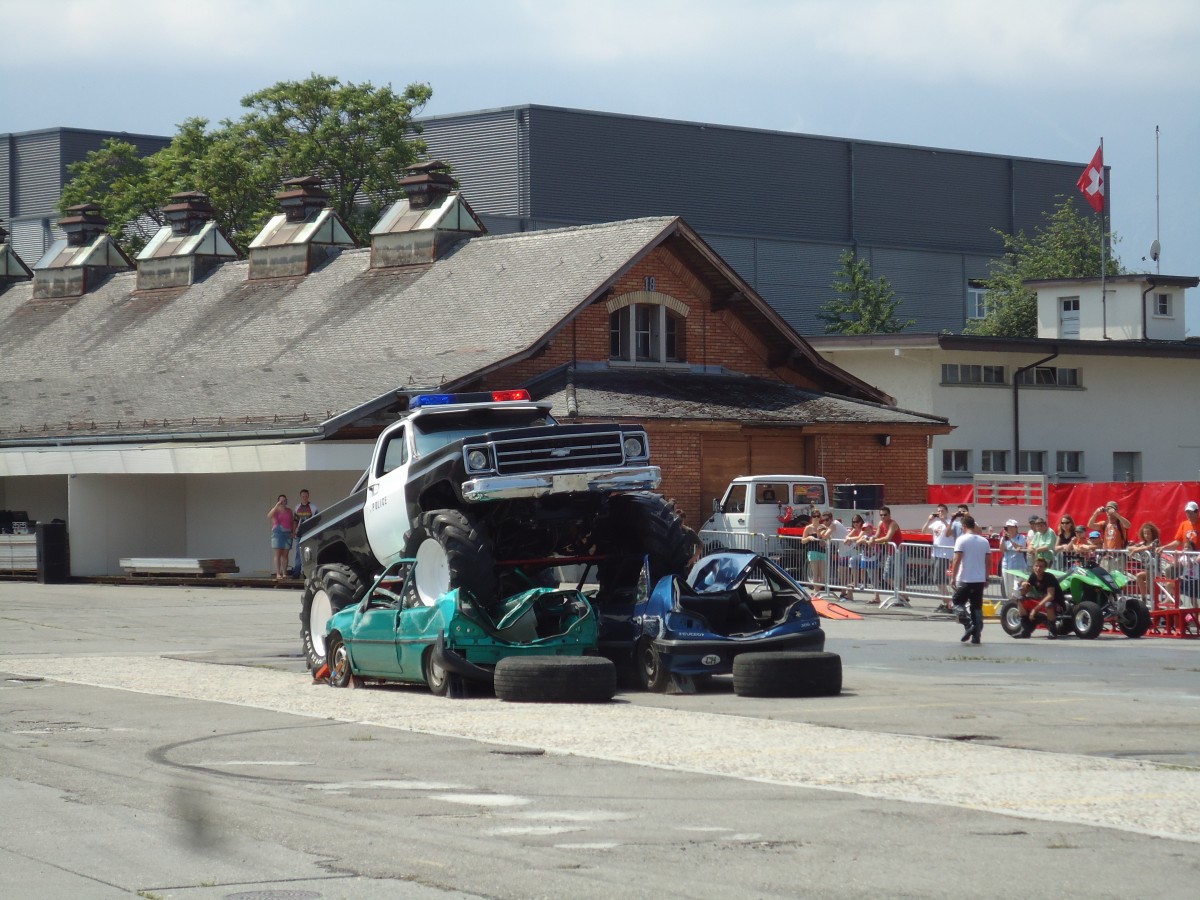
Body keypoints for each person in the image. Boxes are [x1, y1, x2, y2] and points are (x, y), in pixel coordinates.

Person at [948, 515, 990, 644]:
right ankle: (977, 635)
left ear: (964, 526)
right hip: (979, 579)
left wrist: (953, 577)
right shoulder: (984, 541)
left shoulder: (961, 540)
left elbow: (957, 559)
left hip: (965, 578)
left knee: (956, 602)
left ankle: (968, 624)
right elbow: (988, 561)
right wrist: (986, 577)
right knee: (976, 606)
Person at [1014, 555, 1065, 639]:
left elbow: (1050, 596)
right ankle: (1025, 630)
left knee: (1048, 604)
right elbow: (1023, 593)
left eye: (1041, 567)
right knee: (1020, 600)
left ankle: (1053, 631)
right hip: (1041, 602)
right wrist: (1023, 585)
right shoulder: (1033, 576)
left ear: (1045, 568)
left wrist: (1035, 609)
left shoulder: (1049, 577)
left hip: (1056, 604)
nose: (1038, 568)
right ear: (1033, 567)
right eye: (1036, 566)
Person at [923, 504, 955, 609]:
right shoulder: (936, 523)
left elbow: (951, 533)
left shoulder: (950, 522)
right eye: (938, 511)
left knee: (938, 579)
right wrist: (929, 520)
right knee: (936, 579)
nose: (940, 513)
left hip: (945, 554)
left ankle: (949, 602)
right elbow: (924, 531)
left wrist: (944, 521)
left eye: (942, 511)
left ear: (947, 511)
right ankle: (947, 602)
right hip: (935, 553)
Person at [870, 506, 905, 603]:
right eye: (881, 515)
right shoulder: (881, 523)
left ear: (889, 515)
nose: (883, 517)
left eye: (885, 515)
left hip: (899, 552)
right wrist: (872, 538)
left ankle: (903, 595)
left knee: (899, 575)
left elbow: (887, 538)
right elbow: (877, 535)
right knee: (886, 576)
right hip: (890, 552)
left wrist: (874, 541)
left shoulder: (893, 524)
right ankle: (901, 594)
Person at [1088, 500, 1130, 573]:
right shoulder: (1105, 524)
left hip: (1118, 557)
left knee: (1116, 578)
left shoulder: (1119, 523)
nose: (1109, 512)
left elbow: (1128, 525)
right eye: (1107, 510)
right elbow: (1090, 525)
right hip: (1106, 557)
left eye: (1111, 509)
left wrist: (1116, 514)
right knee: (1105, 577)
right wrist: (1096, 513)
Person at [1128, 522, 1161, 598]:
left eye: (1148, 533)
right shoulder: (1143, 543)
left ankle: (1154, 599)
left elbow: (1150, 547)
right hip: (1147, 569)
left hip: (1155, 569)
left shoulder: (1156, 541)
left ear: (1153, 533)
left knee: (1150, 582)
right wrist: (1139, 548)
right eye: (1145, 533)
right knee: (1139, 576)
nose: (1146, 535)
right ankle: (1143, 597)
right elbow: (1129, 548)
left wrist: (1137, 550)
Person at [290, 489, 319, 577]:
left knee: (309, 553)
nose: (304, 498)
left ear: (308, 496)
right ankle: (296, 572)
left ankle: (308, 573)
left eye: (306, 496)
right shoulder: (297, 507)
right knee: (298, 553)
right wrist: (293, 531)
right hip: (299, 533)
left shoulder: (313, 507)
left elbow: (316, 521)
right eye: (303, 496)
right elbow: (295, 521)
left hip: (309, 533)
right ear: (301, 497)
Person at [268, 494, 295, 580]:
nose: (283, 502)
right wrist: (276, 505)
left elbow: (292, 522)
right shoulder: (275, 510)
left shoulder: (289, 511)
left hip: (287, 533)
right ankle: (278, 573)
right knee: (278, 554)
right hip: (277, 533)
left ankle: (284, 573)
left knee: (285, 555)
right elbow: (269, 516)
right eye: (281, 500)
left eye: (284, 500)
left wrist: (293, 532)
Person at [999, 519, 1027, 598]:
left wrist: (1010, 539)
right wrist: (1004, 538)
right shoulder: (1003, 538)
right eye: (1008, 527)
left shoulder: (1021, 537)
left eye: (1012, 527)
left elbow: (1020, 548)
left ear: (1016, 528)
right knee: (1008, 591)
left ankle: (1018, 603)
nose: (1010, 529)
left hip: (1019, 567)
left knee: (1017, 589)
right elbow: (1002, 549)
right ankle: (1011, 603)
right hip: (1007, 567)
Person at [801, 513, 830, 588]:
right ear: (812, 517)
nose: (816, 518)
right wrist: (809, 538)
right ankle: (816, 592)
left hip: (822, 552)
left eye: (818, 516)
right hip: (813, 551)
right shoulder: (808, 527)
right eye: (814, 516)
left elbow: (828, 538)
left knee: (823, 576)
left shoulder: (823, 527)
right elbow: (802, 541)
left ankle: (817, 591)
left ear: (820, 517)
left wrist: (824, 541)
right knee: (815, 574)